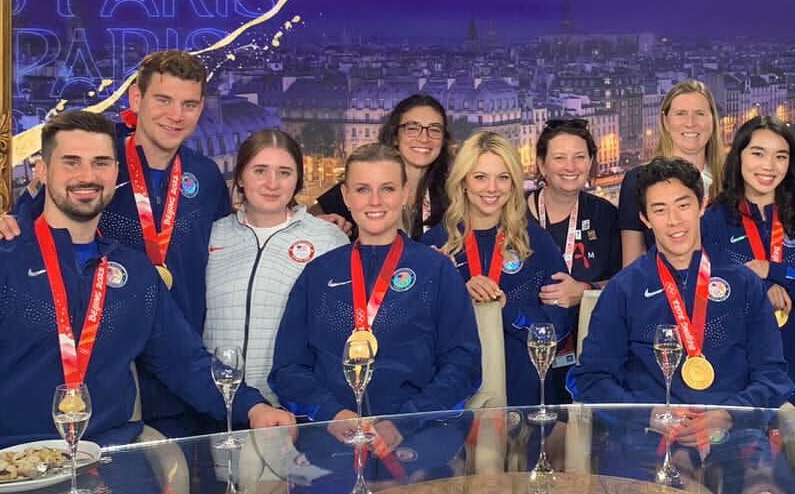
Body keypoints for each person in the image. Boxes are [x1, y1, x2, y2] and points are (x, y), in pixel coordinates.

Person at [0, 111, 292, 477]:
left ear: (116, 172)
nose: (87, 175)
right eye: (72, 162)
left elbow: (184, 362)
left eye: (101, 163)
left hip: (108, 467)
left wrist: (253, 408)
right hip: (4, 470)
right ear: (42, 170)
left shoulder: (135, 274)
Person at [0, 50, 239, 436]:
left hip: (179, 358)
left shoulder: (206, 175)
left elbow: (229, 241)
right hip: (100, 358)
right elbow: (31, 225)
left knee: (183, 469)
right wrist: (3, 225)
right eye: (163, 100)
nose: (175, 115)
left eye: (189, 104)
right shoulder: (95, 163)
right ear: (136, 98)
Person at [269, 143, 481, 450]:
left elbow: (463, 365)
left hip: (420, 440)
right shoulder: (317, 273)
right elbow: (288, 369)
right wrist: (331, 414)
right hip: (332, 443)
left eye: (388, 189)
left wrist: (405, 421)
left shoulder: (436, 270)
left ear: (405, 193)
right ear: (346, 196)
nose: (375, 201)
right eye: (362, 189)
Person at [571, 156, 794, 430]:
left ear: (702, 205)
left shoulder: (745, 284)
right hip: (647, 439)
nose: (674, 221)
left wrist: (729, 416)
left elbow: (772, 376)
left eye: (683, 205)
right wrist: (648, 415)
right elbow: (592, 379)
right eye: (660, 210)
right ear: (645, 219)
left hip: (733, 437)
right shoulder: (623, 289)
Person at [702, 117, 795, 412]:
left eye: (780, 156)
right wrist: (759, 287)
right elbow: (703, 303)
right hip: (737, 384)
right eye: (758, 153)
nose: (769, 166)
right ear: (739, 156)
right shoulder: (712, 222)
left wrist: (780, 273)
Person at [424, 132, 574, 409]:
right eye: (480, 177)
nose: (492, 188)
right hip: (454, 403)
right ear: (463, 181)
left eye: (503, 177)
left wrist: (506, 309)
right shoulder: (434, 246)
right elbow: (417, 335)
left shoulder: (536, 242)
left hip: (526, 399)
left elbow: (557, 330)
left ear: (514, 183)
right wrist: (453, 292)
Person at [204, 129, 349, 414]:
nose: (272, 183)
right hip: (217, 405)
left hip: (294, 410)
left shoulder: (329, 239)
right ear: (240, 177)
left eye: (284, 172)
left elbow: (337, 336)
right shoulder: (211, 236)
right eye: (260, 171)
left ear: (297, 180)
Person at [528, 117, 622, 387]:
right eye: (559, 157)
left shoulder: (605, 215)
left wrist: (585, 290)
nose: (570, 167)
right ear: (542, 164)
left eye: (580, 157)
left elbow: (624, 283)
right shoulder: (513, 215)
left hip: (588, 354)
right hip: (523, 354)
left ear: (590, 162)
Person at [316, 93, 454, 241]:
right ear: (395, 137)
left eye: (434, 130)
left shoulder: (452, 195)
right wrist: (321, 224)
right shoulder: (361, 186)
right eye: (412, 128)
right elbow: (308, 221)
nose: (424, 138)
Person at [618, 80, 725, 266]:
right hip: (661, 284)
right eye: (681, 114)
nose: (690, 123)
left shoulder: (731, 179)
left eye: (699, 114)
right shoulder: (637, 181)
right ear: (665, 121)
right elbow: (632, 266)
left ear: (713, 121)